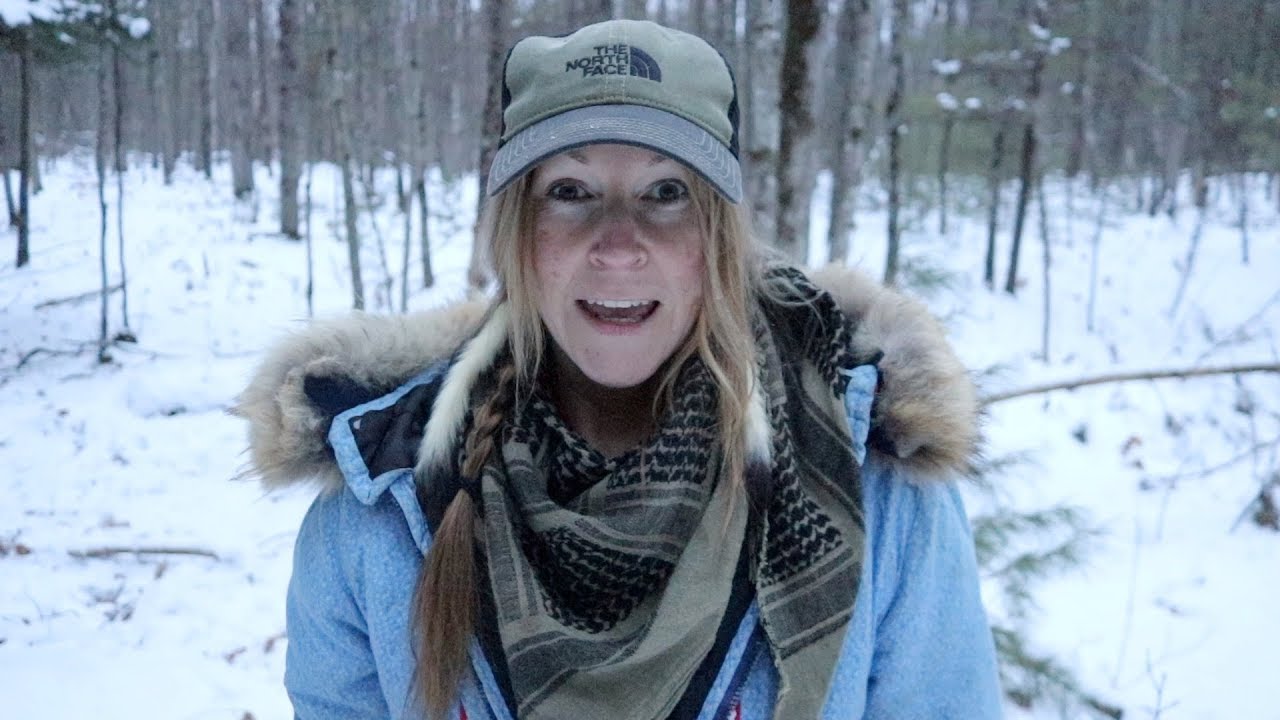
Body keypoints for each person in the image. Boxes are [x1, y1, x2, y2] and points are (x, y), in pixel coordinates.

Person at [235, 18, 1002, 720]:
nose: (618, 245)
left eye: (666, 193)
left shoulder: (872, 490)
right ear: (516, 233)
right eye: (569, 192)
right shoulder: (380, 504)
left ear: (719, 240)